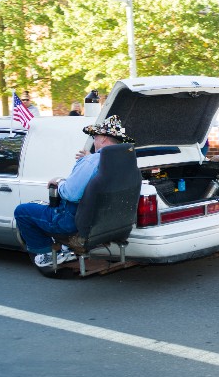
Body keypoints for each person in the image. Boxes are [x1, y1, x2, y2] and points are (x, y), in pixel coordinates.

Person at [13, 115, 135, 269]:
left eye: (95, 136)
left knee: (22, 211)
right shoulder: (122, 162)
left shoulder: (91, 161)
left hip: (71, 221)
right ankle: (66, 248)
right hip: (106, 221)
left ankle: (47, 254)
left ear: (103, 139)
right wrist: (89, 160)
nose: (94, 140)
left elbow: (71, 194)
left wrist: (59, 182)